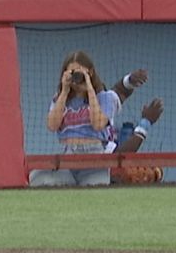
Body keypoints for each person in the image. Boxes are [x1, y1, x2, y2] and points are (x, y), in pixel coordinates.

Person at [30, 51, 120, 187]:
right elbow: (52, 125)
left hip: (94, 156)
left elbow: (98, 124)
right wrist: (64, 91)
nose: (76, 77)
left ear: (90, 72)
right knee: (38, 178)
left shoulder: (106, 97)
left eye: (80, 73)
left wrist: (89, 88)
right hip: (69, 155)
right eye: (72, 73)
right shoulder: (60, 99)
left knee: (94, 191)